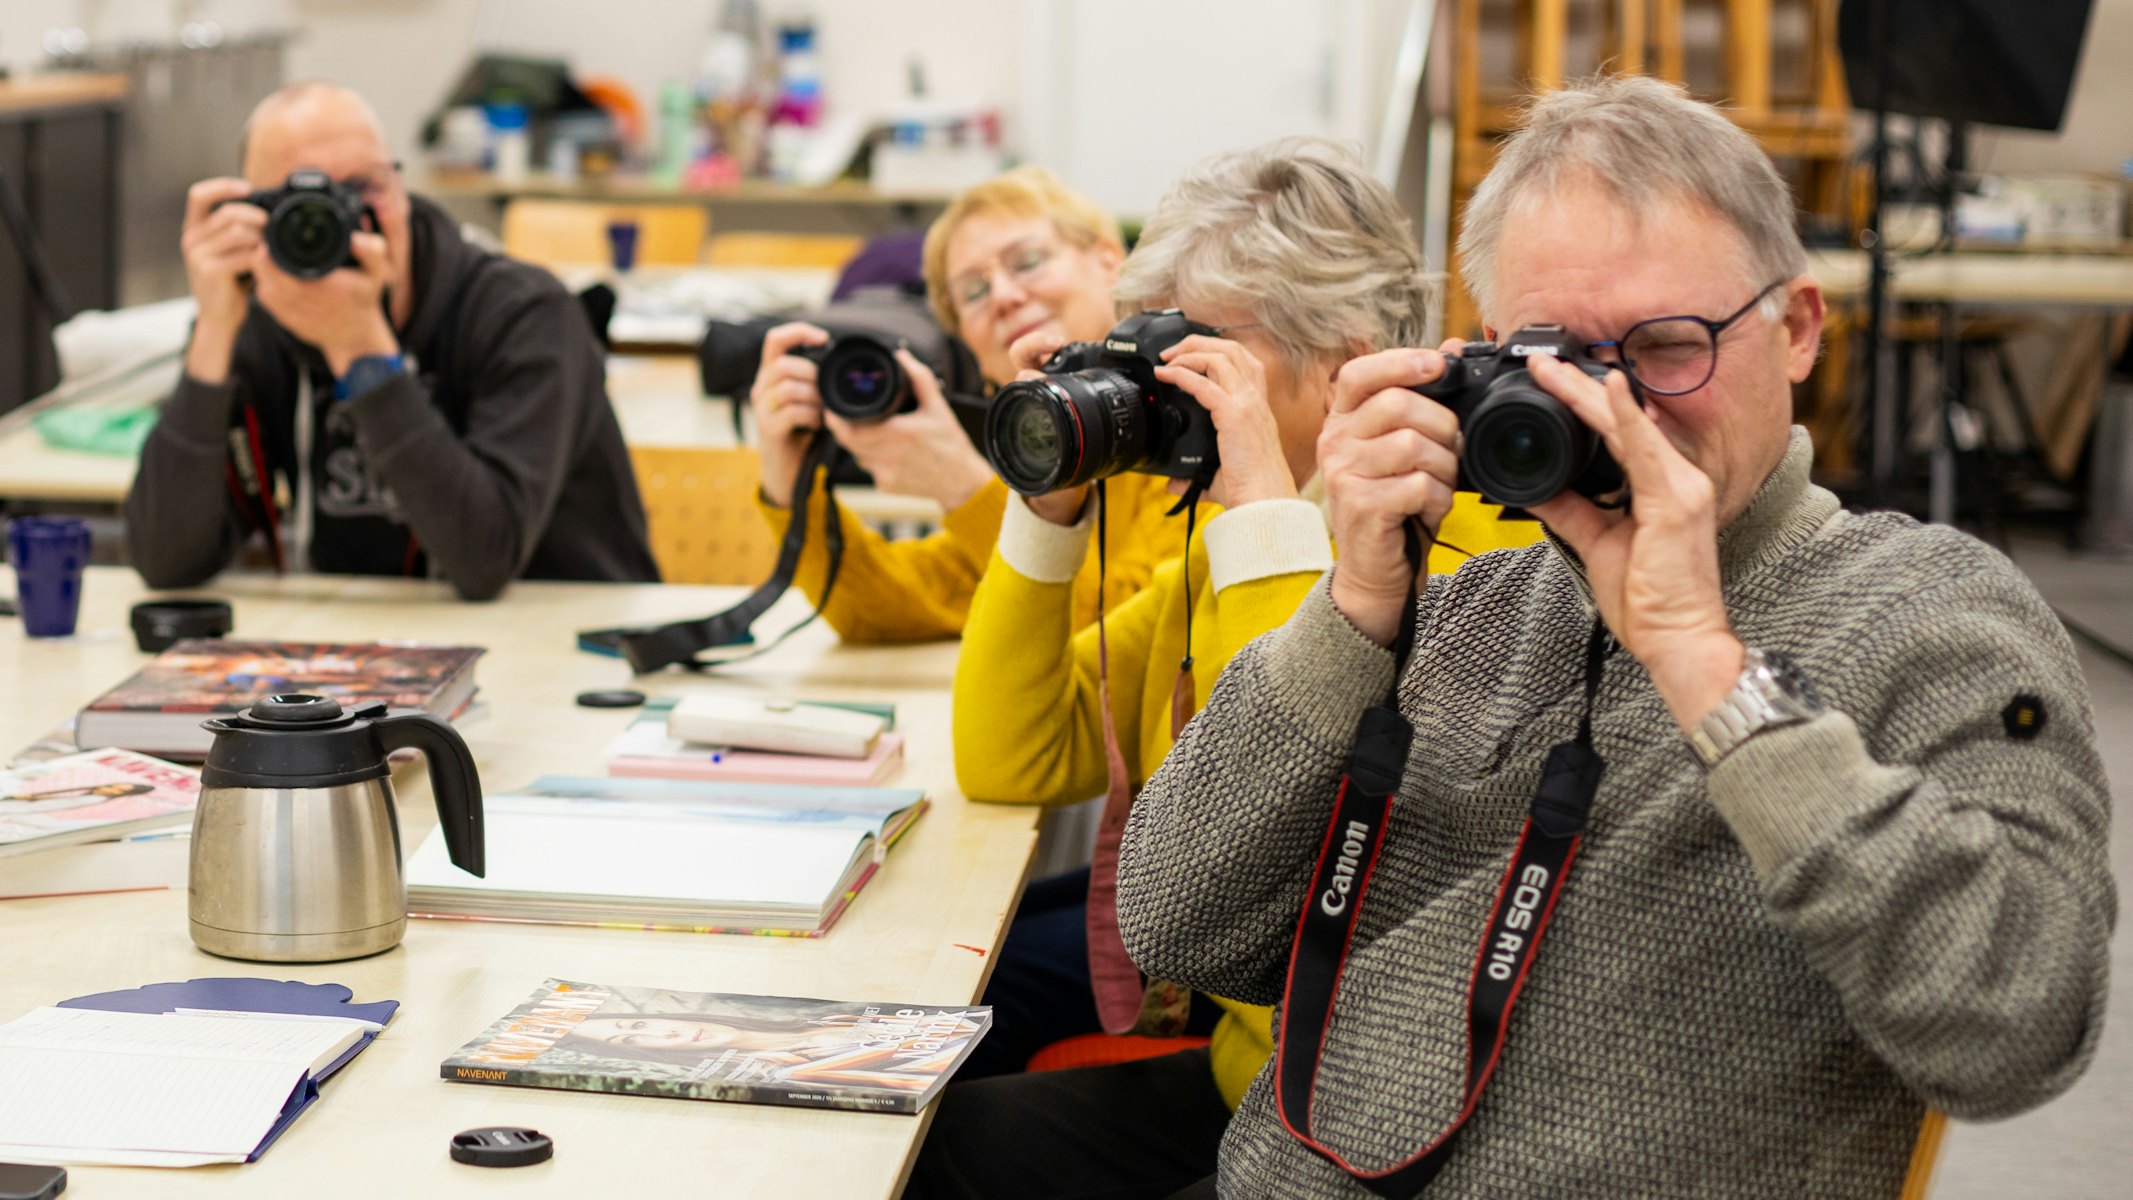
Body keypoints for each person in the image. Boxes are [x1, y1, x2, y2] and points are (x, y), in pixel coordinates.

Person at [1115, 76, 2115, 1198]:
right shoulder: (1458, 608)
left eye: (1668, 346)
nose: (1613, 407)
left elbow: (2019, 1025)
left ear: (1796, 329)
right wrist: (1346, 616)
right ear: (1484, 358)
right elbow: (1176, 924)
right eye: (1557, 360)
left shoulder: (1930, 612)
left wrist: (1706, 665)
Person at [906, 139, 1541, 1199]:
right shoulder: (1225, 546)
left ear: (1340, 362)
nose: (1164, 392)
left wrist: (1262, 512)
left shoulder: (1489, 560)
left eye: (1202, 360)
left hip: (1381, 1119)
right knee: (936, 1152)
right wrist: (1044, 523)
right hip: (1253, 1081)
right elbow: (1012, 756)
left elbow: (1286, 841)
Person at [128, 82, 658, 602]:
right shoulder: (258, 317)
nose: (335, 219)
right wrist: (213, 332)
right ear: (250, 211)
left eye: (362, 189)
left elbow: (484, 561)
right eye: (298, 202)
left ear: (401, 189)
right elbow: (166, 562)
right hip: (371, 649)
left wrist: (360, 351)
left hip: (568, 650)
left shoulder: (523, 314)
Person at [750, 167, 1185, 641]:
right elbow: (880, 611)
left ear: (1108, 260)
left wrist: (965, 489)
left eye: (1027, 262)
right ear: (972, 350)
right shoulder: (1034, 445)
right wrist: (787, 480)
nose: (1001, 296)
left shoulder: (1189, 415)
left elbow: (1132, 646)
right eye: (973, 292)